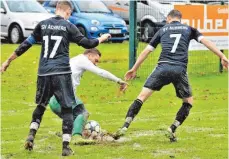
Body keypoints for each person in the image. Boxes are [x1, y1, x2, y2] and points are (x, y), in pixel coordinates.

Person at [1, 1, 111, 156]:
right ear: (67, 11)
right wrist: (102, 38)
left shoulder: (43, 25)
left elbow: (25, 44)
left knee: (41, 106)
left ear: (57, 9)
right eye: (70, 14)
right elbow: (88, 43)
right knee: (67, 109)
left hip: (44, 73)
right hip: (61, 73)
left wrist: (8, 61)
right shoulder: (68, 26)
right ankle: (66, 147)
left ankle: (31, 135)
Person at [113, 9, 229, 142]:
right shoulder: (189, 29)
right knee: (188, 102)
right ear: (180, 18)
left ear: (169, 18)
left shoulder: (163, 30)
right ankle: (172, 129)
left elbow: (147, 51)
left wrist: (134, 69)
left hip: (162, 68)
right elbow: (206, 42)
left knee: (142, 97)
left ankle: (124, 127)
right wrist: (222, 56)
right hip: (179, 69)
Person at [49, 48, 128, 144]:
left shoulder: (76, 60)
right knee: (82, 113)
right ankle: (76, 138)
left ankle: (67, 133)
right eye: (96, 60)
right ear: (90, 55)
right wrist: (119, 81)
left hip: (56, 98)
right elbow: (101, 72)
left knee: (77, 116)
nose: (96, 64)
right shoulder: (83, 60)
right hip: (62, 98)